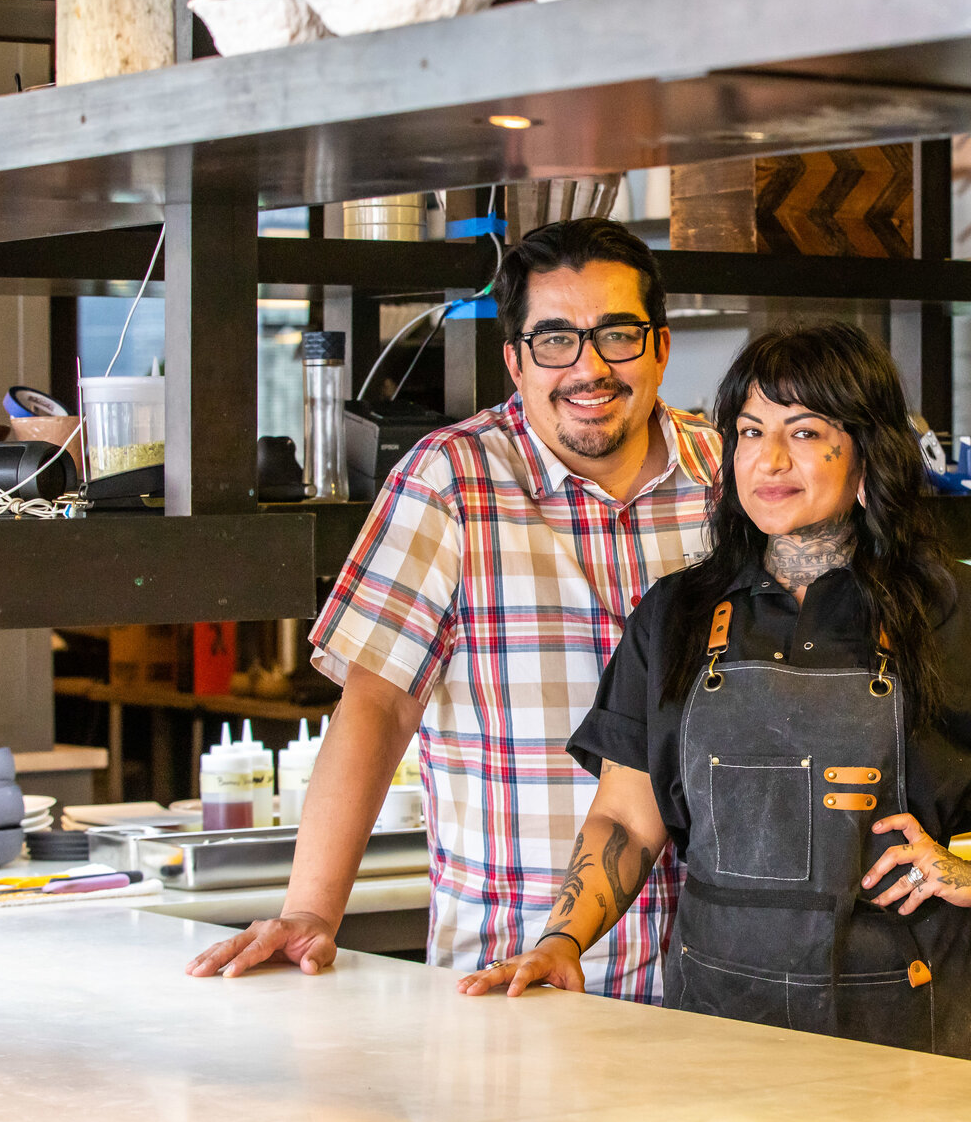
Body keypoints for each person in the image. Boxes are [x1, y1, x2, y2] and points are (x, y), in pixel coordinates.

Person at [460, 321, 971, 1064]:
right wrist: (564, 940)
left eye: (805, 431)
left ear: (867, 450)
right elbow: (627, 816)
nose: (769, 460)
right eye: (750, 432)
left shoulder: (954, 610)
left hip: (908, 1033)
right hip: (718, 1029)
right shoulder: (678, 614)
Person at [187, 218, 720, 1002]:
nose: (589, 366)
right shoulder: (452, 481)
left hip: (718, 983)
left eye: (617, 335)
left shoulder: (733, 480)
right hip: (515, 982)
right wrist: (309, 910)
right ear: (515, 361)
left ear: (661, 348)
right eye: (555, 340)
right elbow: (377, 706)